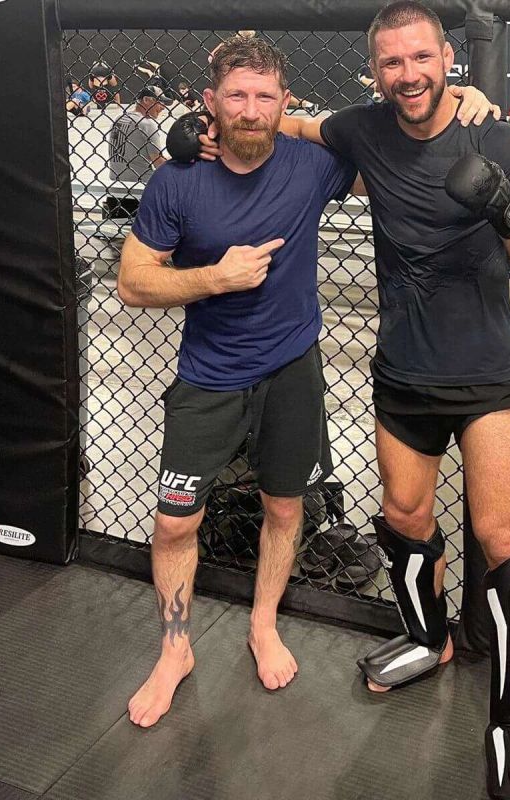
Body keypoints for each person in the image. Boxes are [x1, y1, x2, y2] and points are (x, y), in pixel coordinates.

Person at [244, 3, 510, 798]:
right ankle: (430, 637)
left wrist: (503, 203)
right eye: (391, 62)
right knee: (405, 517)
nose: (408, 74)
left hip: (486, 371)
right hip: (403, 372)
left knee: (503, 540)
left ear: (447, 58)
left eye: (420, 58)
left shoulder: (496, 138)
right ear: (375, 70)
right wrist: (225, 128)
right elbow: (297, 125)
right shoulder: (364, 130)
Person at [115, 36, 360, 728]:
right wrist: (213, 279)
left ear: (284, 101)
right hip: (209, 376)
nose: (250, 110)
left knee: (284, 508)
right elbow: (131, 282)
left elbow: (395, 153)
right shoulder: (178, 180)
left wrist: (465, 100)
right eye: (236, 96)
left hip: (291, 370)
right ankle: (175, 649)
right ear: (210, 102)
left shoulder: (313, 166)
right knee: (174, 521)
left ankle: (263, 624)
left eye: (264, 96)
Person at [105, 84, 171, 219]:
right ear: (146, 100)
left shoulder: (118, 118)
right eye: (159, 102)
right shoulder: (147, 124)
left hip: (116, 189)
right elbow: (159, 163)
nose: (163, 107)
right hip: (141, 190)